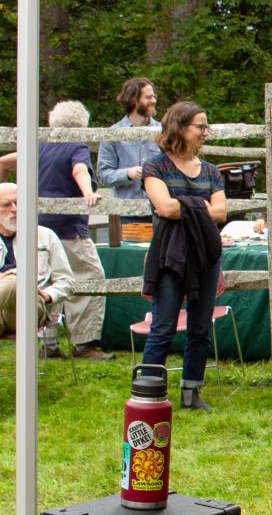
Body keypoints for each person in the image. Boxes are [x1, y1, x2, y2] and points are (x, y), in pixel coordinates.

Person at [0, 101, 112, 358]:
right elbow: (80, 169)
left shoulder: (40, 146)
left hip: (35, 227)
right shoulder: (76, 145)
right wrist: (88, 193)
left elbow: (3, 162)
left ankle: (48, 345)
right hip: (68, 228)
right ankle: (84, 345)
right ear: (82, 124)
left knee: (44, 281)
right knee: (89, 279)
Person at [139, 101, 226, 410]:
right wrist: (200, 205)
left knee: (200, 328)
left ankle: (191, 392)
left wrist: (185, 205)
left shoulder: (212, 171)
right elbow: (163, 207)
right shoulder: (156, 167)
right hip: (169, 257)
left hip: (205, 256)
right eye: (200, 127)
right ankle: (148, 393)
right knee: (162, 327)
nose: (205, 132)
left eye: (206, 127)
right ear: (180, 128)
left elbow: (221, 211)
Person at [0, 182, 75, 338]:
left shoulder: (45, 236)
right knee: (13, 281)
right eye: (6, 204)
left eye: (18, 202)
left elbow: (67, 282)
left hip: (31, 308)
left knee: (17, 282)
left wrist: (47, 295)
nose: (14, 209)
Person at [97, 77, 162, 219]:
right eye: (148, 97)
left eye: (154, 96)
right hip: (127, 213)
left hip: (160, 211)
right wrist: (127, 174)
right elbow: (103, 175)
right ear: (133, 100)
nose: (154, 101)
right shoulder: (112, 133)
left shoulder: (164, 131)